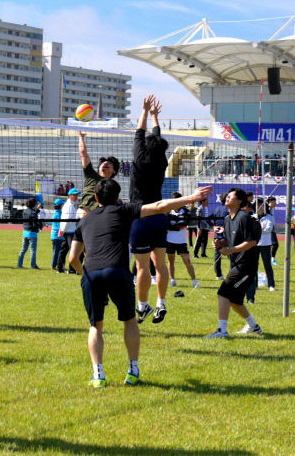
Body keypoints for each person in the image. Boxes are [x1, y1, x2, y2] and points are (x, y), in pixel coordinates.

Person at [68, 179, 211, 387]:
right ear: (118, 197)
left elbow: (72, 259)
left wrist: (86, 276)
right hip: (117, 271)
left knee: (95, 325)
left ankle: (98, 375)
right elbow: (159, 206)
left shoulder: (84, 221)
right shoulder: (124, 210)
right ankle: (133, 370)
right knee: (129, 321)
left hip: (92, 274)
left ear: (96, 198)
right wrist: (192, 198)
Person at [129, 95, 171, 324]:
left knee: (142, 265)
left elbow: (139, 132)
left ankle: (143, 306)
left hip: (141, 214)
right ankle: (161, 303)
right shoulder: (161, 160)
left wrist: (144, 112)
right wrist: (155, 116)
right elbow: (156, 137)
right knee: (160, 264)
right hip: (159, 214)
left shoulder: (140, 157)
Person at [206, 188, 263, 338]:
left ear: (239, 201)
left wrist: (230, 250)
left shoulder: (244, 217)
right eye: (227, 195)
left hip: (246, 267)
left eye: (231, 196)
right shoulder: (227, 219)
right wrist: (219, 243)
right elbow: (229, 240)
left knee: (223, 293)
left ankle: (222, 330)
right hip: (236, 264)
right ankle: (254, 327)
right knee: (235, 301)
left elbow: (251, 242)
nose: (227, 198)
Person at [78, 131, 119, 214]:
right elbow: (83, 153)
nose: (105, 163)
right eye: (103, 163)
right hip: (85, 212)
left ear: (114, 171)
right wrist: (81, 137)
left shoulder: (113, 185)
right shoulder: (91, 174)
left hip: (101, 214)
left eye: (109, 163)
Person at [165, 193, 199, 288]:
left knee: (187, 261)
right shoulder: (167, 211)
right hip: (170, 240)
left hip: (181, 241)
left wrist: (173, 226)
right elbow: (167, 225)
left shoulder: (186, 211)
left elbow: (183, 225)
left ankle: (194, 281)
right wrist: (175, 225)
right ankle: (172, 280)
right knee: (171, 261)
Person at [57, 188, 80, 274]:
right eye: (74, 195)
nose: (76, 196)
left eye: (77, 195)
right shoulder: (69, 206)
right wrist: (62, 230)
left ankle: (60, 268)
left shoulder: (70, 205)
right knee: (72, 250)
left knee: (64, 250)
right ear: (70, 196)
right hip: (70, 231)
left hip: (68, 230)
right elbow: (67, 219)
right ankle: (71, 269)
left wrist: (62, 229)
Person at [17, 197, 43, 269]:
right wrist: (38, 228)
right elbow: (34, 222)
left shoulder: (25, 211)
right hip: (32, 233)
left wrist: (37, 210)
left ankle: (19, 264)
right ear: (34, 204)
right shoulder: (33, 213)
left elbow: (32, 214)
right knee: (33, 250)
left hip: (25, 232)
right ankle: (33, 265)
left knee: (23, 249)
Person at [50, 198, 65, 271]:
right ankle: (54, 266)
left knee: (57, 252)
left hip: (55, 236)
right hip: (58, 236)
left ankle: (58, 266)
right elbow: (60, 226)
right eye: (62, 204)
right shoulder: (59, 214)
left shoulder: (56, 213)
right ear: (60, 206)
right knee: (57, 252)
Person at [267, 196, 279, 266]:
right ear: (270, 202)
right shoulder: (267, 209)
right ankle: (272, 259)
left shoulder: (271, 209)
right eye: (275, 201)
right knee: (275, 244)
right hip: (269, 229)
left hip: (272, 228)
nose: (276, 203)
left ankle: (270, 259)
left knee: (270, 245)